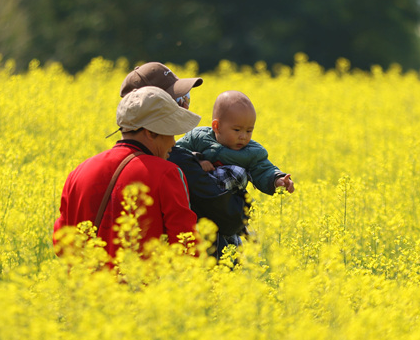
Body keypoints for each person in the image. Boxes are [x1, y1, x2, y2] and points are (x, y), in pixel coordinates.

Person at [53, 85, 201, 261]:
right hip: (142, 286)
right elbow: (187, 247)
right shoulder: (167, 173)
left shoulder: (78, 172)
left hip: (84, 286)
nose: (174, 142)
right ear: (151, 132)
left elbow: (61, 244)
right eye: (170, 132)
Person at [120, 63, 250, 258]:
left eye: (186, 99)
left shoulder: (116, 162)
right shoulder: (176, 163)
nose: (186, 106)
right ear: (152, 105)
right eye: (179, 100)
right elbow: (231, 217)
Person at [176, 90, 295, 196]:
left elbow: (263, 170)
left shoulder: (252, 152)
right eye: (237, 130)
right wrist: (197, 160)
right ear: (216, 126)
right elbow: (176, 152)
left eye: (249, 130)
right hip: (196, 195)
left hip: (227, 204)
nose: (243, 136)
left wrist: (277, 180)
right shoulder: (198, 137)